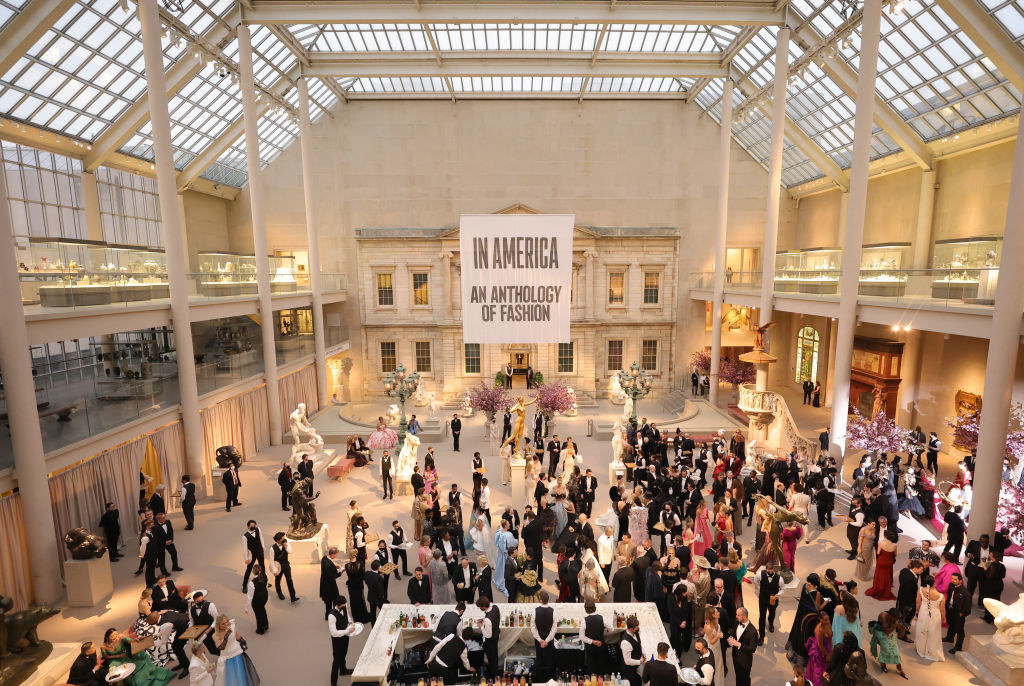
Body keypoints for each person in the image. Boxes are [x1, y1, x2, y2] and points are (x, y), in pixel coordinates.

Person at [101, 627, 175, 686]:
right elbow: (106, 657)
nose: (115, 637)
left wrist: (136, 640)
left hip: (125, 657)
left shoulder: (121, 637)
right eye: (112, 636)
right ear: (107, 638)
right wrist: (118, 655)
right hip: (114, 660)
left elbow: (131, 641)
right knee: (115, 672)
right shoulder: (103, 646)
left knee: (131, 669)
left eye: (116, 634)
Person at [210, 614, 257, 685]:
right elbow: (221, 647)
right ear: (218, 625)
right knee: (230, 674)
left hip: (237, 652)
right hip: (227, 656)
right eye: (223, 624)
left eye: (227, 622)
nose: (226, 624)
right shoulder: (215, 635)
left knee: (240, 672)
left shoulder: (232, 626)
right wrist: (226, 636)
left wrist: (243, 642)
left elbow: (237, 636)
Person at [913, 575, 945, 661]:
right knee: (933, 633)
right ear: (934, 583)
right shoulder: (940, 596)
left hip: (923, 612)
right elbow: (942, 610)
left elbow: (918, 603)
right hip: (935, 615)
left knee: (922, 630)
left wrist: (916, 611)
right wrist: (944, 618)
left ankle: (921, 650)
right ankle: (931, 652)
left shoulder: (920, 590)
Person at [869, 611, 908, 679]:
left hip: (888, 630)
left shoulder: (895, 619)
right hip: (880, 630)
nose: (896, 620)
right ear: (891, 616)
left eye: (897, 619)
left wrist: (902, 629)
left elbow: (900, 635)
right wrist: (896, 625)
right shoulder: (883, 616)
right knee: (886, 647)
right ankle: (883, 663)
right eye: (895, 619)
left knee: (895, 650)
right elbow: (886, 631)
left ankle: (899, 668)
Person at [728, 607, 758, 686]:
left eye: (738, 615)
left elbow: (752, 649)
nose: (736, 616)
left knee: (745, 680)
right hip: (735, 656)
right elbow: (735, 633)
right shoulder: (737, 622)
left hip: (745, 661)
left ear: (744, 617)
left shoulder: (753, 632)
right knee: (738, 677)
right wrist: (732, 637)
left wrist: (739, 644)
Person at [754, 560, 782, 644]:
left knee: (772, 612)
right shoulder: (759, 574)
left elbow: (783, 588)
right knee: (762, 616)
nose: (771, 572)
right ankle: (761, 636)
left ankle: (771, 622)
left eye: (772, 570)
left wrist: (778, 594)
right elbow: (756, 581)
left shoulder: (779, 578)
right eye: (769, 570)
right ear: (766, 569)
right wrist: (760, 589)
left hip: (773, 598)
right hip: (763, 598)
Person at [327, 596, 353, 684]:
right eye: (344, 604)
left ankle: (343, 670)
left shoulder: (344, 607)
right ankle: (333, 682)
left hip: (345, 636)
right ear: (338, 605)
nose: (345, 605)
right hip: (337, 640)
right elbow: (334, 632)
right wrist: (347, 631)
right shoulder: (331, 615)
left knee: (344, 653)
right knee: (336, 660)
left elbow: (347, 616)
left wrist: (350, 622)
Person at [866, 530, 898, 601]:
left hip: (881, 561)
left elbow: (878, 552)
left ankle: (878, 587)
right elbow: (895, 554)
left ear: (885, 536)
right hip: (889, 562)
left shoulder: (880, 542)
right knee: (887, 576)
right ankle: (886, 590)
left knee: (879, 574)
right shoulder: (895, 545)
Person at [944, 572, 971, 653]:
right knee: (951, 624)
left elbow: (967, 607)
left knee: (960, 630)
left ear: (960, 581)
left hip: (959, 614)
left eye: (955, 579)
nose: (953, 581)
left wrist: (961, 614)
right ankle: (949, 638)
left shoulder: (965, 593)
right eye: (952, 578)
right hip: (950, 610)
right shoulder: (950, 585)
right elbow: (949, 597)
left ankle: (958, 647)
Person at [270, 532, 298, 602]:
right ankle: (279, 593)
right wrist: (274, 571)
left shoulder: (286, 543)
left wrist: (286, 546)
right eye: (283, 538)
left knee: (289, 580)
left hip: (286, 565)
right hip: (278, 566)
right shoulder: (272, 548)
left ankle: (293, 597)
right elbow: (271, 560)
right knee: (278, 580)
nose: (284, 539)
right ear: (278, 540)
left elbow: (290, 551)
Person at [344, 552, 370, 622]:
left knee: (353, 600)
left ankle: (356, 616)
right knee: (361, 599)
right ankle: (362, 614)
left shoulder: (346, 566)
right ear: (356, 555)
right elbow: (362, 575)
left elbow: (349, 576)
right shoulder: (361, 563)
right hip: (359, 584)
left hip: (351, 585)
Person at [703, 606, 725, 686]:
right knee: (713, 667)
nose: (719, 612)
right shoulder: (708, 627)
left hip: (717, 647)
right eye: (716, 612)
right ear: (712, 615)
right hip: (712, 649)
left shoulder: (716, 620)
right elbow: (711, 642)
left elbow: (718, 631)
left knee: (719, 666)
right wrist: (718, 636)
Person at [619, 615, 644, 686]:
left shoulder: (635, 632)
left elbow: (638, 643)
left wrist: (643, 652)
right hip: (629, 670)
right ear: (631, 629)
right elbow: (627, 661)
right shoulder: (625, 643)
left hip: (635, 666)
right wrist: (640, 661)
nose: (638, 628)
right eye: (636, 627)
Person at [241, 520, 265, 593]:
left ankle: (263, 581)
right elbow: (245, 548)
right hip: (252, 554)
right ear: (248, 526)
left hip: (260, 551)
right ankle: (244, 585)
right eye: (251, 526)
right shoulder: (245, 537)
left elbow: (261, 538)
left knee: (262, 566)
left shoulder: (258, 529)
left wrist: (263, 546)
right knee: (249, 569)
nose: (253, 527)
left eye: (254, 525)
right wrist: (246, 558)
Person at [245, 564, 269, 634]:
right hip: (265, 597)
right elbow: (266, 584)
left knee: (258, 615)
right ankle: (266, 625)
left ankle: (260, 630)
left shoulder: (251, 583)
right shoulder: (266, 575)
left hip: (257, 601)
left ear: (253, 571)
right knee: (262, 609)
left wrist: (246, 607)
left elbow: (250, 597)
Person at [319, 547, 342, 620]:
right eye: (336, 555)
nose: (336, 556)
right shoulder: (328, 565)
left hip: (324, 583)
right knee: (333, 600)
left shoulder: (324, 558)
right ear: (332, 554)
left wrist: (335, 567)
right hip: (329, 586)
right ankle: (332, 616)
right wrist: (341, 572)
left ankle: (327, 616)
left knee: (328, 602)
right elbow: (333, 576)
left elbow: (329, 568)